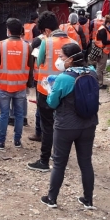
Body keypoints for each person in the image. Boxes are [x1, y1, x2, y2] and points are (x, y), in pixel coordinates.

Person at [40, 43, 98, 210]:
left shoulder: (64, 78)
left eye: (62, 57)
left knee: (59, 163)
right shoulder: (92, 73)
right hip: (88, 124)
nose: (60, 60)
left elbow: (52, 103)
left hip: (66, 126)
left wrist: (50, 90)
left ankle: (52, 198)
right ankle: (88, 200)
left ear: (71, 59)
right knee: (86, 162)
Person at [27, 11, 75, 172]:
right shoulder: (73, 42)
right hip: (68, 92)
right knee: (62, 124)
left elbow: (39, 61)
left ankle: (44, 161)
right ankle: (60, 158)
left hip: (46, 92)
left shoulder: (46, 43)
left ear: (46, 30)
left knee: (47, 126)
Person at [0, 18, 33, 150]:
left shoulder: (1, 45)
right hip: (20, 86)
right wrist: (28, 85)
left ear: (8, 31)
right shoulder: (27, 46)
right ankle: (17, 141)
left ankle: (1, 142)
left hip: (4, 86)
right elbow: (30, 67)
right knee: (19, 114)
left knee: (4, 114)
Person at [95, 15, 110, 89]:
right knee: (100, 68)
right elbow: (105, 41)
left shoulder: (105, 29)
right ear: (108, 23)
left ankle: (100, 83)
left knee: (100, 67)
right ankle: (99, 84)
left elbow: (108, 37)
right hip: (102, 51)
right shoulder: (103, 30)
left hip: (103, 50)